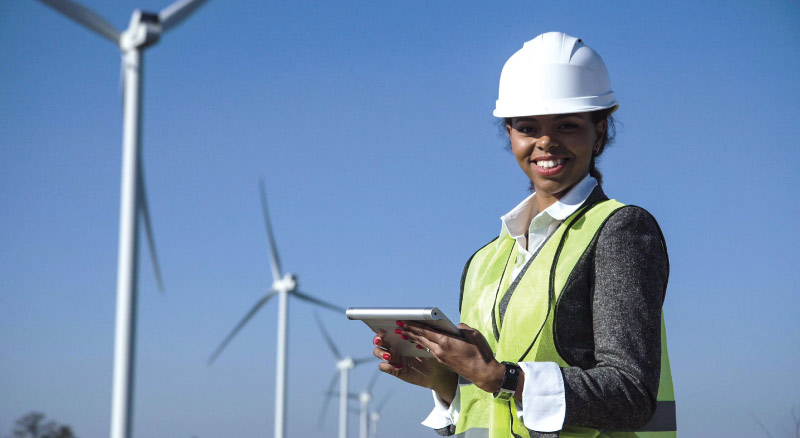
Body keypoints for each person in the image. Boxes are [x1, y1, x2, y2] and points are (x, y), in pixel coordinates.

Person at [370, 32, 676, 438]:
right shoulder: (484, 261)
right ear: (510, 135)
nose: (546, 142)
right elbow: (491, 403)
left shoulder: (619, 231)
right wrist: (442, 381)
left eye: (567, 125)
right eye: (528, 128)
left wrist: (501, 376)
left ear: (599, 133)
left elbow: (631, 395)